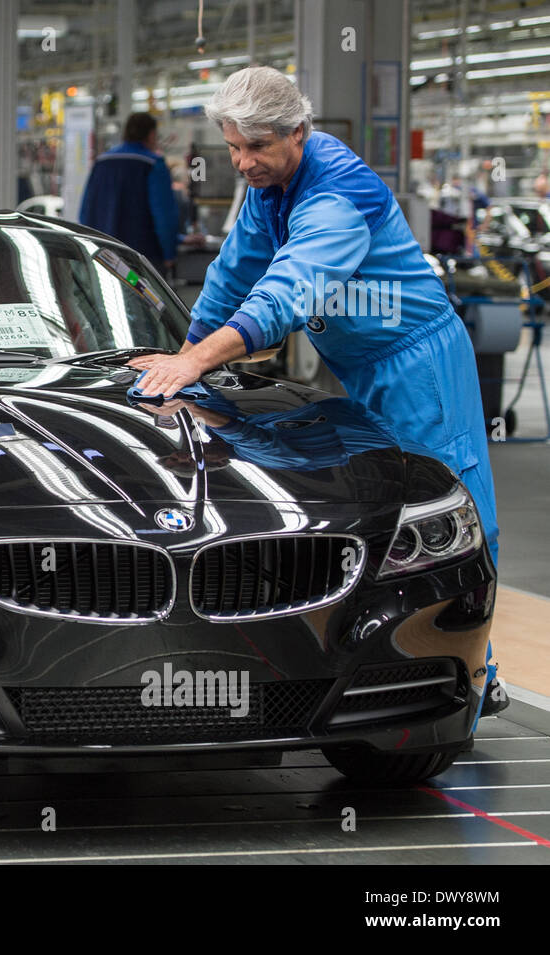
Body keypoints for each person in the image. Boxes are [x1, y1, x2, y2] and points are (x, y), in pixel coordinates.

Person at [128, 66, 507, 719]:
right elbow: (234, 274)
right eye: (234, 148)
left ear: (298, 132)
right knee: (383, 504)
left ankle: (470, 681)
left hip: (418, 362)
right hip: (359, 363)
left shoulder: (338, 193)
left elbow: (287, 293)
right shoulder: (269, 188)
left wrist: (199, 363)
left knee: (451, 505)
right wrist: (185, 351)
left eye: (259, 147)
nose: (244, 162)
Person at [78, 112, 180, 273]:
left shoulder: (101, 163)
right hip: (142, 259)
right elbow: (163, 216)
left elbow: (86, 210)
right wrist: (169, 254)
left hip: (103, 256)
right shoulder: (153, 164)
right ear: (151, 134)